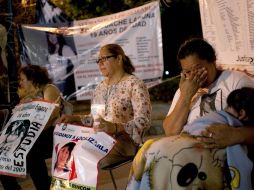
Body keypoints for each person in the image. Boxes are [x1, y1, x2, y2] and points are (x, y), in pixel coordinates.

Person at [126, 38, 254, 189]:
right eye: (187, 72)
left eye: (197, 68)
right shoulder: (185, 89)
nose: (193, 75)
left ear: (212, 61)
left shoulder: (237, 82)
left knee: (162, 156)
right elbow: (171, 131)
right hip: (186, 146)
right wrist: (186, 96)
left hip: (214, 153)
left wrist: (234, 135)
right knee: (148, 149)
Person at [56, 43, 151, 168]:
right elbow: (94, 119)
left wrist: (116, 128)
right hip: (100, 139)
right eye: (98, 60)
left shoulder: (134, 84)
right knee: (67, 154)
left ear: (118, 59)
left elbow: (144, 121)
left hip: (126, 141)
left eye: (104, 58)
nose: (100, 63)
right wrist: (74, 118)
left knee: (83, 159)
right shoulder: (100, 87)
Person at [0, 64, 61, 190]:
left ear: (32, 79)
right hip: (32, 136)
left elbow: (51, 115)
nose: (20, 82)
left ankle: (43, 186)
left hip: (51, 134)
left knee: (30, 149)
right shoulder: (26, 97)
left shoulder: (49, 89)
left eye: (22, 79)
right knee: (2, 151)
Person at [46, 32, 77, 98]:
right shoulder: (51, 50)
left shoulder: (65, 48)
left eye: (53, 35)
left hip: (62, 83)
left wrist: (66, 76)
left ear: (58, 35)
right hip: (53, 83)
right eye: (49, 36)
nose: (52, 38)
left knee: (61, 103)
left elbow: (77, 64)